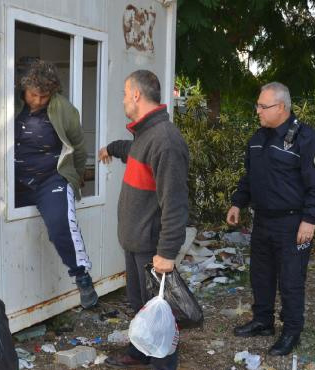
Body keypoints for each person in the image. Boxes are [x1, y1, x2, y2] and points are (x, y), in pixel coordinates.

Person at [227, 82, 315, 356]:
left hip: (293, 223)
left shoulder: (306, 139)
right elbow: (250, 176)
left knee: (290, 279)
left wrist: (309, 220)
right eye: (258, 106)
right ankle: (263, 321)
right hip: (263, 220)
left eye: (264, 106)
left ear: (282, 107)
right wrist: (238, 202)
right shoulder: (258, 138)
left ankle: (291, 331)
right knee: (261, 275)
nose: (258, 111)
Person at [101, 70, 189, 369]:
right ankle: (139, 353)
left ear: (137, 95)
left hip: (152, 246)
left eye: (125, 94)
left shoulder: (165, 140)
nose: (124, 99)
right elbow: (134, 152)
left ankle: (161, 365)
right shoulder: (144, 135)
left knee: (159, 311)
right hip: (134, 241)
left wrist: (166, 252)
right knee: (140, 305)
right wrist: (111, 148)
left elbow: (175, 201)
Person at [15, 59, 97, 309]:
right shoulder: (12, 104)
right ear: (24, 89)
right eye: (33, 95)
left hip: (51, 178)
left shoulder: (64, 109)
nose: (38, 101)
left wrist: (77, 176)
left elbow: (79, 148)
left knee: (61, 223)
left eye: (44, 96)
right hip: (16, 182)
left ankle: (82, 277)